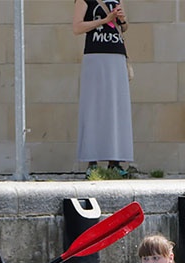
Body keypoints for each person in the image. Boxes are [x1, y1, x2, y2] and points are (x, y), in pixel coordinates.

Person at [72, 0, 133, 179]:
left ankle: (115, 163)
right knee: (93, 107)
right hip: (95, 56)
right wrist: (104, 20)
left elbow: (123, 27)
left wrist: (122, 19)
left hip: (117, 55)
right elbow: (77, 27)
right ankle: (93, 163)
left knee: (117, 109)